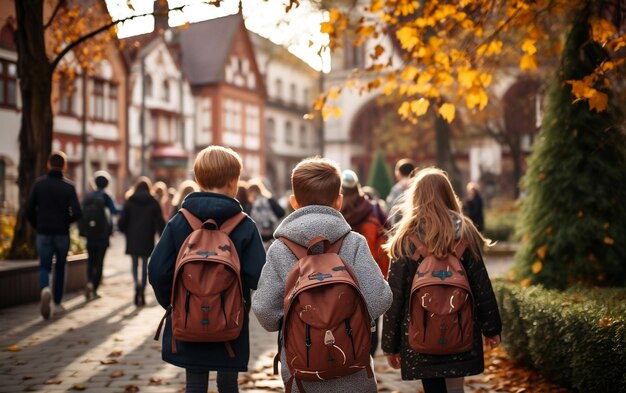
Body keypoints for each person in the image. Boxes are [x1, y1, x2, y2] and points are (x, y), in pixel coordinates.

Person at [251, 157, 393, 393]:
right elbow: (379, 298)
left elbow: (265, 312)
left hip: (302, 372)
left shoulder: (280, 249)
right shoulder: (354, 243)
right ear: (338, 201)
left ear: (294, 202)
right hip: (353, 368)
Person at [149, 145, 266, 393]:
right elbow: (260, 276)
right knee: (227, 382)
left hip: (189, 317)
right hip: (229, 322)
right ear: (234, 181)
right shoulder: (244, 225)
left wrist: (175, 304)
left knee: (195, 380)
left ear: (197, 180)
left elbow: (157, 270)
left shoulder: (180, 221)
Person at [381, 167, 502, 393]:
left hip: (420, 331)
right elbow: (481, 285)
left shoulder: (405, 237)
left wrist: (390, 345)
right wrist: (492, 328)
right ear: (448, 194)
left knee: (433, 387)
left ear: (415, 197)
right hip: (462, 326)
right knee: (456, 387)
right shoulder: (465, 232)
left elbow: (395, 295)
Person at [26, 151, 82, 319]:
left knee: (44, 265)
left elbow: (28, 210)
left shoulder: (38, 184)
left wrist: (38, 224)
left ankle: (45, 289)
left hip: (43, 232)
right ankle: (57, 303)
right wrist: (66, 221)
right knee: (60, 267)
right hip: (62, 233)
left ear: (48, 165)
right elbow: (78, 213)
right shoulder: (69, 186)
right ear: (64, 166)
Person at [118, 177, 165, 307]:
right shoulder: (153, 202)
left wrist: (125, 231)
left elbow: (122, 221)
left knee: (134, 264)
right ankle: (143, 290)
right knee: (145, 265)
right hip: (147, 237)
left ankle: (136, 284)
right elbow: (160, 222)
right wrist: (162, 236)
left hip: (132, 237)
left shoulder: (129, 201)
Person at [81, 170, 120, 300]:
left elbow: (82, 212)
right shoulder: (106, 196)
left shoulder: (89, 196)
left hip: (90, 234)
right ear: (107, 183)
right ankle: (95, 289)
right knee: (99, 262)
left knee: (90, 262)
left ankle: (89, 282)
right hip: (103, 235)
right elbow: (114, 211)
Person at [247, 178, 285, 243]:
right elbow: (281, 212)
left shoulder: (251, 206)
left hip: (259, 236)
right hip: (272, 234)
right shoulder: (270, 200)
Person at [385, 158, 416, 225]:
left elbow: (390, 208)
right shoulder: (418, 184)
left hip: (399, 224)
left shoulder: (397, 188)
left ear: (399, 173)